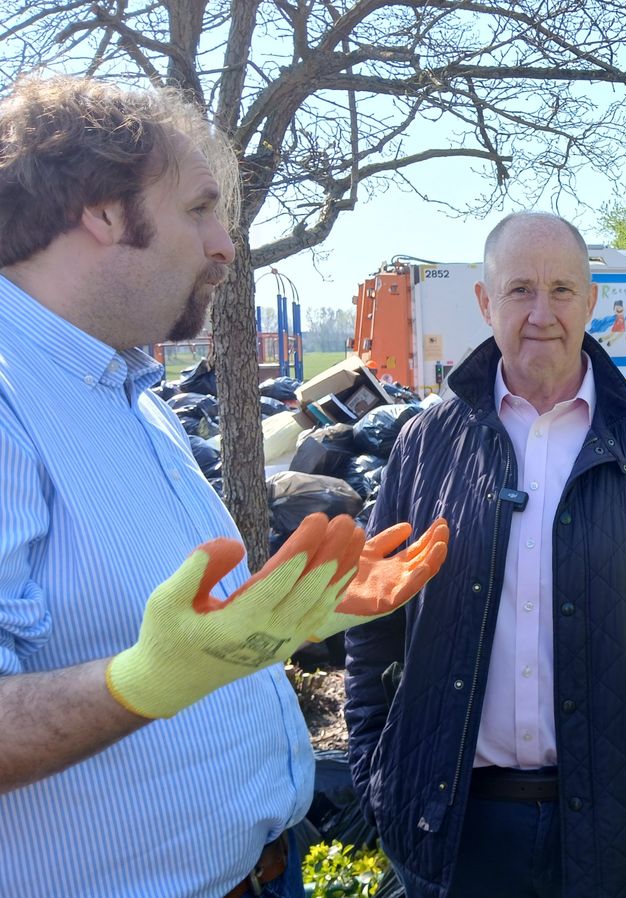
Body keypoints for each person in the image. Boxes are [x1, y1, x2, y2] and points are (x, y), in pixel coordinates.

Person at [0, 74, 448, 897]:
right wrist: (142, 682)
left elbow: (163, 623)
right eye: (200, 209)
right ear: (102, 212)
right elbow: (152, 662)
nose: (225, 246)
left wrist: (276, 622)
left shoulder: (130, 392)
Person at [344, 211, 626, 898]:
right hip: (453, 825)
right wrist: (375, 751)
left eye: (562, 290)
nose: (542, 313)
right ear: (485, 302)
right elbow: (372, 605)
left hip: (619, 823)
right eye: (520, 290)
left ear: (591, 301)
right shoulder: (425, 445)